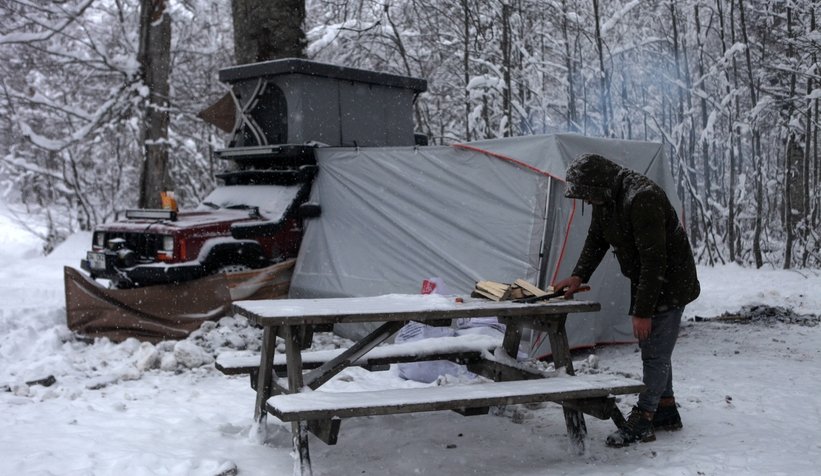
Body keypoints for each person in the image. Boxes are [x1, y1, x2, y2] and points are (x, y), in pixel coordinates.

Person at [554, 153, 700, 448]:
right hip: (648, 277)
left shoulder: (642, 198)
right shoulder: (606, 200)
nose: (587, 202)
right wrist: (579, 275)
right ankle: (666, 409)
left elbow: (655, 261)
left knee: (654, 351)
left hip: (670, 280)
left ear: (598, 186)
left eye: (587, 195)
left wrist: (642, 312)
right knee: (654, 346)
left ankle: (644, 418)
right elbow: (596, 239)